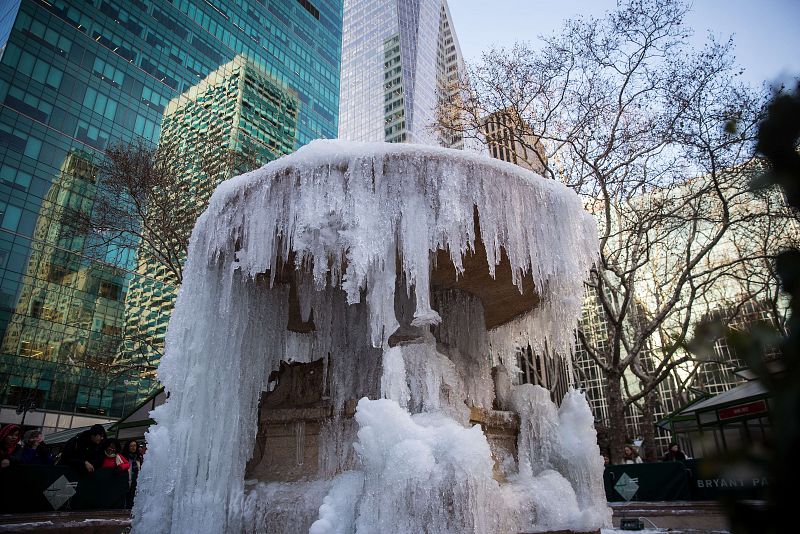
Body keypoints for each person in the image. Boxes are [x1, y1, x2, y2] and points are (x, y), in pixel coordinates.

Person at [122, 440, 142, 508]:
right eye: (131, 446)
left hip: (136, 480)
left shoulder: (139, 457)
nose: (133, 447)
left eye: (135, 445)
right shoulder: (124, 457)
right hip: (127, 481)